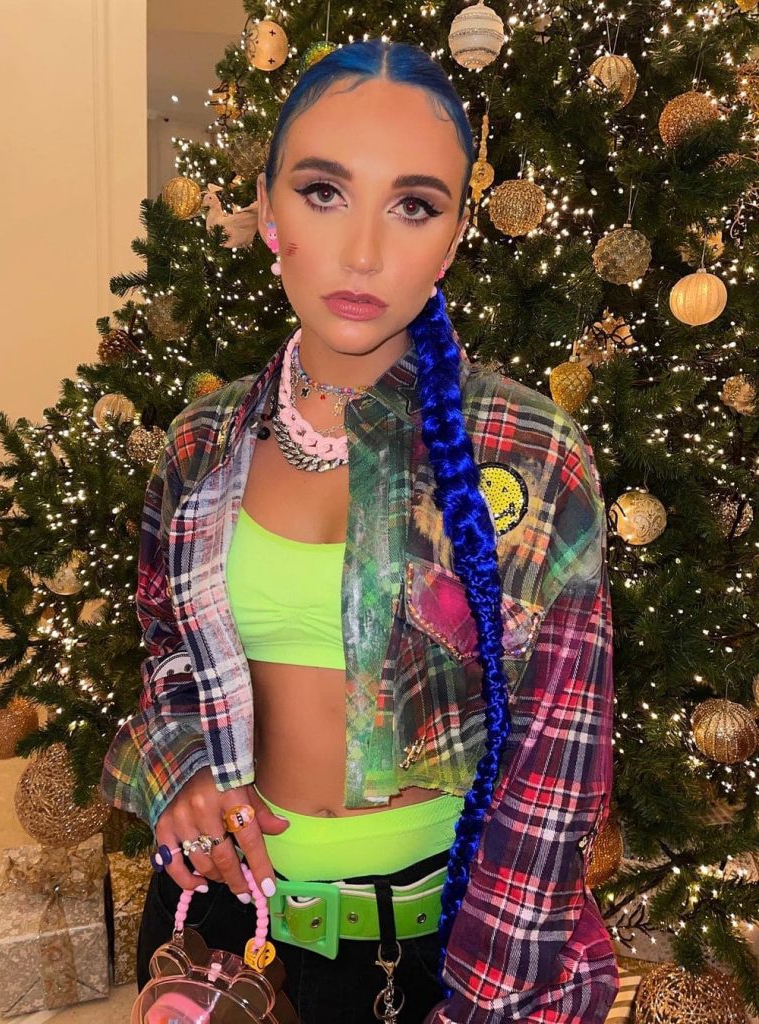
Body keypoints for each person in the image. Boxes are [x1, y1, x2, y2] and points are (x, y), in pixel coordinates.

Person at [101, 37, 620, 1024]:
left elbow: (557, 773)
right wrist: (180, 771)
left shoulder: (528, 451)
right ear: (268, 208)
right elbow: (167, 658)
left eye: (413, 205)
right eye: (324, 192)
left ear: (455, 236)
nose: (365, 252)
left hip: (441, 953)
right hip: (221, 933)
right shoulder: (202, 443)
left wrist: (484, 1005)